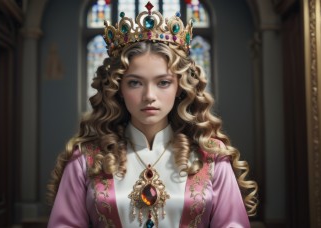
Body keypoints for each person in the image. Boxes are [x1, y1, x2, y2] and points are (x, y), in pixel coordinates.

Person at [47, 2, 258, 227]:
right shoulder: (86, 160)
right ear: (118, 89)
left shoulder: (211, 158)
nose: (149, 95)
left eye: (163, 82)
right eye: (135, 83)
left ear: (180, 88)